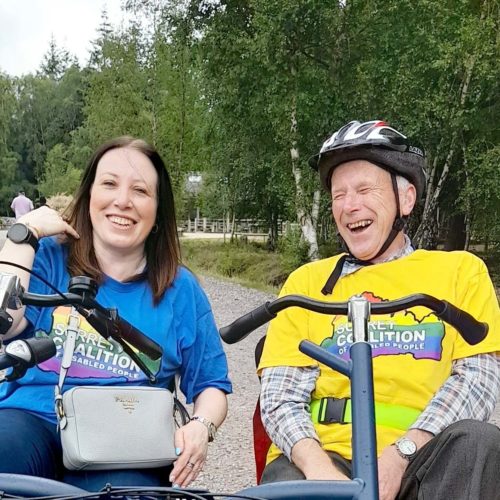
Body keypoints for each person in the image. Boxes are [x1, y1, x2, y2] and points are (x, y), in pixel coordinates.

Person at [258, 120, 500, 499]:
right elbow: (280, 395)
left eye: (364, 189)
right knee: (289, 484)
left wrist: (402, 454)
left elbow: (479, 382)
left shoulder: (459, 272)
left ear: (405, 198)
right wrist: (320, 470)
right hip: (326, 455)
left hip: (423, 460)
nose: (349, 205)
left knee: (478, 442)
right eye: (339, 194)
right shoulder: (305, 284)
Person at [0, 136, 232, 491]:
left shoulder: (180, 290)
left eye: (140, 191)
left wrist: (201, 426)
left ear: (157, 212)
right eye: (109, 184)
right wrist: (23, 234)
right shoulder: (46, 258)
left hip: (125, 440)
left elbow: (212, 386)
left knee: (128, 492)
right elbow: (3, 326)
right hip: (31, 419)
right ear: (89, 195)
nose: (122, 201)